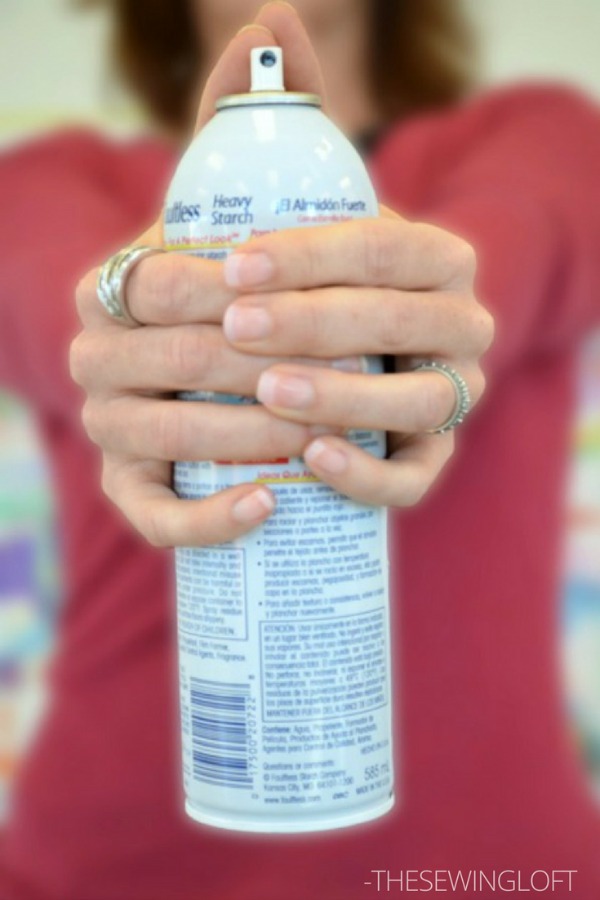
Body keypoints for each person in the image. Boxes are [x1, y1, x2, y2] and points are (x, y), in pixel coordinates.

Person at [0, 2, 599, 898]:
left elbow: (521, 238)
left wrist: (429, 309)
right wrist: (125, 314)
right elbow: (48, 305)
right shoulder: (50, 177)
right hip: (108, 865)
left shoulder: (541, 131)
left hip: (487, 866)